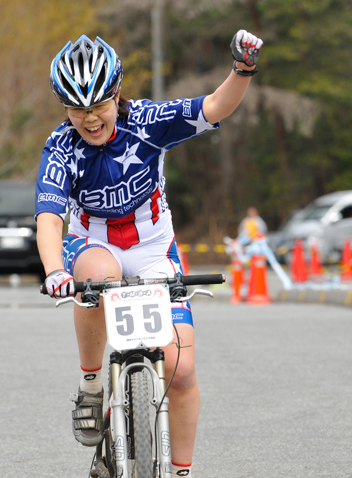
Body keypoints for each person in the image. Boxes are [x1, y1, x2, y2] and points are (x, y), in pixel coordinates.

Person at [36, 30, 262, 478]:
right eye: (77, 109)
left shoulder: (148, 121)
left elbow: (214, 106)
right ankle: (92, 385)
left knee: (180, 373)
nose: (90, 119)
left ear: (117, 94)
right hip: (94, 244)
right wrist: (54, 270)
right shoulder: (61, 147)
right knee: (96, 280)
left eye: (99, 105)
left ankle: (180, 471)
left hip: (155, 248)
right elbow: (49, 217)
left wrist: (242, 70)